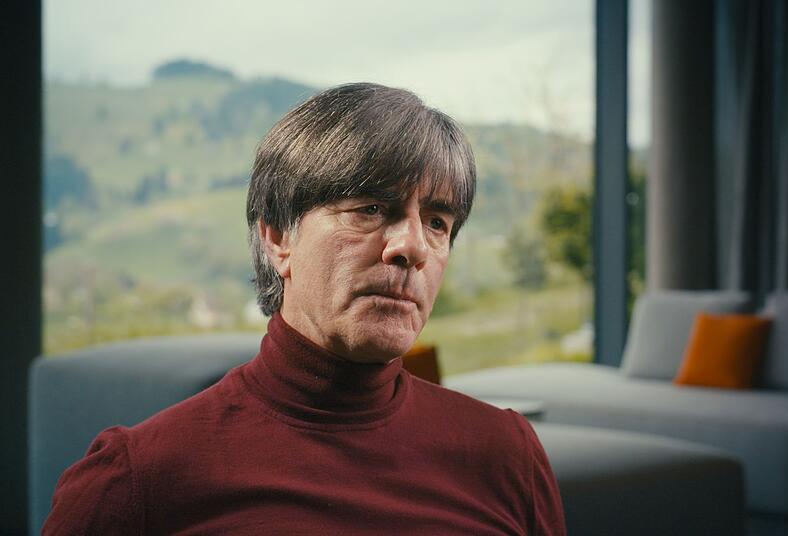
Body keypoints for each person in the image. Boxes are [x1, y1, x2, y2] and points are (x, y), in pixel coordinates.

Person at [43, 83, 566, 535]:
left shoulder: (505, 455)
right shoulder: (137, 481)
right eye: (371, 208)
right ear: (277, 237)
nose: (412, 247)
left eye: (437, 222)